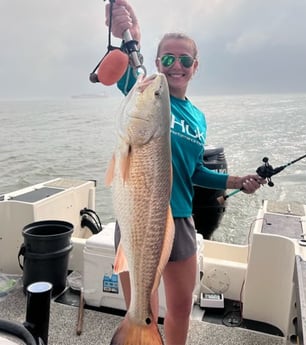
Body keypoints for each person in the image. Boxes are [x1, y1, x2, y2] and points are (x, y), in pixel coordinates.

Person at [105, 1, 266, 344]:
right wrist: (126, 34)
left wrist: (234, 181)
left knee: (179, 308)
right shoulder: (144, 90)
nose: (175, 66)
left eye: (184, 60)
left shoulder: (198, 117)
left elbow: (194, 170)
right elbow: (122, 71)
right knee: (141, 308)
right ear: (157, 62)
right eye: (167, 58)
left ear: (195, 67)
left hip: (180, 220)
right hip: (138, 219)